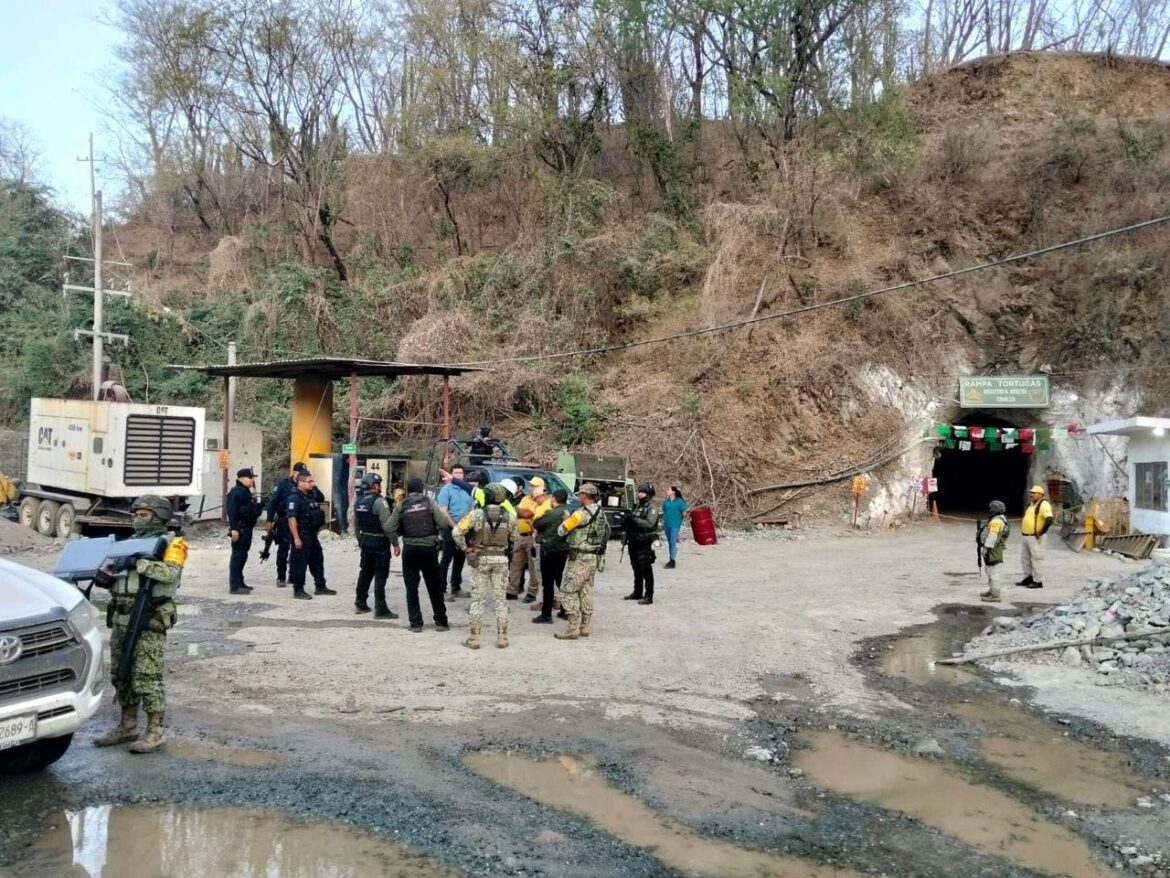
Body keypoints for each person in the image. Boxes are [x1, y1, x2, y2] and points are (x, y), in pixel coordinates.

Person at [91, 495, 187, 754]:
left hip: (148, 618)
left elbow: (170, 574)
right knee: (121, 674)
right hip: (121, 618)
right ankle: (127, 725)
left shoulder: (173, 543)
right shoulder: (127, 544)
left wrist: (139, 563)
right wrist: (105, 578)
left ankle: (155, 732)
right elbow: (115, 575)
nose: (136, 519)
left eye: (143, 514)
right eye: (136, 514)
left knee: (147, 676)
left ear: (158, 516)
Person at [453, 483, 519, 648]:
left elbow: (456, 532)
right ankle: (503, 637)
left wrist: (466, 548)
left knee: (478, 600)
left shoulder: (476, 514)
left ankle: (474, 638)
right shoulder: (510, 516)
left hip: (480, 559)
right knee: (500, 600)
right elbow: (514, 538)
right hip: (501, 560)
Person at [387, 477, 450, 633]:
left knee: (411, 588)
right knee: (434, 587)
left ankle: (416, 623)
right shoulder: (430, 503)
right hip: (429, 550)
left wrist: (395, 543)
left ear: (408, 490)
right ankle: (441, 622)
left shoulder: (402, 505)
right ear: (422, 489)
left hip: (410, 550)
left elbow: (389, 527)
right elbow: (443, 523)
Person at [555, 483, 609, 640]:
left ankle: (572, 627)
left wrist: (567, 519)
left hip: (579, 557)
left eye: (580, 495)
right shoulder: (601, 512)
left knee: (568, 590)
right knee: (586, 590)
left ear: (585, 495)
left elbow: (561, 530)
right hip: (593, 556)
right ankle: (585, 625)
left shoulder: (580, 514)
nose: (578, 497)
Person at [353, 472, 399, 619]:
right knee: (380, 576)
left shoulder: (358, 501)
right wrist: (395, 543)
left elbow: (356, 526)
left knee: (365, 573)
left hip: (366, 541)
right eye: (378, 484)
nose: (380, 486)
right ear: (374, 486)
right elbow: (387, 526)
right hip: (379, 543)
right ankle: (381, 609)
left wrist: (361, 541)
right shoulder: (380, 502)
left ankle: (360, 603)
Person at [287, 471, 336, 600]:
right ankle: (298, 590)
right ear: (301, 482)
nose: (312, 484)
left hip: (312, 534)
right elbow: (291, 518)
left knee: (317, 560)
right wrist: (296, 538)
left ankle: (320, 586)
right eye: (309, 481)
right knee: (300, 563)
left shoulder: (309, 496)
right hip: (301, 535)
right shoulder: (294, 497)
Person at [265, 461, 315, 588]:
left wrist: (314, 486)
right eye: (299, 472)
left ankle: (294, 576)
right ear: (294, 472)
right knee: (283, 549)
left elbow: (319, 497)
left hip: (301, 523)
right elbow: (273, 503)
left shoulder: (305, 486)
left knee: (297, 550)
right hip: (284, 520)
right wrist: (269, 520)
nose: (300, 475)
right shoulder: (283, 484)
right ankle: (281, 577)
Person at [510, 476, 551, 603]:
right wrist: (521, 512)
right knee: (515, 564)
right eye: (531, 485)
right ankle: (512, 590)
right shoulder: (526, 499)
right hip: (519, 534)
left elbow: (526, 514)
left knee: (533, 566)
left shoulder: (542, 502)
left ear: (540, 488)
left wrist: (520, 511)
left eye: (533, 486)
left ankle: (532, 592)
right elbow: (517, 512)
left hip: (531, 536)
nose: (531, 488)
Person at [532, 488, 570, 624]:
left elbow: (537, 523)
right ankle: (566, 609)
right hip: (563, 549)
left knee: (548, 583)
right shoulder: (568, 511)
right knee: (561, 581)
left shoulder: (554, 513)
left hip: (550, 549)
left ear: (554, 499)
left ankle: (546, 614)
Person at [438, 463, 474, 598]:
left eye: (460, 473)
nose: (458, 475)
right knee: (446, 558)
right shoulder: (446, 490)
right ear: (451, 475)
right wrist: (455, 527)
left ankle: (456, 587)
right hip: (449, 528)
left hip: (465, 529)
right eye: (456, 473)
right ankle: (441, 589)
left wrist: (467, 527)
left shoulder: (468, 490)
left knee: (460, 558)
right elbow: (443, 512)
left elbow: (471, 510)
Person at [624, 483, 661, 605]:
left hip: (645, 541)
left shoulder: (652, 507)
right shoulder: (637, 506)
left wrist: (634, 519)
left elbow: (650, 524)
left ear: (648, 494)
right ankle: (637, 592)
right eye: (639, 491)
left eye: (642, 492)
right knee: (636, 568)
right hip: (634, 540)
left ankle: (648, 595)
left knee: (646, 568)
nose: (639, 494)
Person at [226, 467, 262, 595]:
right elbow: (232, 512)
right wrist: (234, 529)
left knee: (243, 556)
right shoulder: (236, 492)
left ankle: (240, 582)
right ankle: (235, 586)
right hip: (240, 529)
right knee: (238, 556)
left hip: (247, 528)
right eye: (250, 478)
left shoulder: (246, 492)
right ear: (243, 478)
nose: (252, 480)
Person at [1017, 484, 1053, 590]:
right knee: (1025, 558)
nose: (1031, 495)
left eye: (1034, 493)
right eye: (1031, 493)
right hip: (1027, 536)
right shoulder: (1031, 505)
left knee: (1037, 558)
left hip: (1035, 537)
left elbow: (1049, 519)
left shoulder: (1043, 504)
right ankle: (1028, 577)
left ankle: (1038, 581)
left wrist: (1041, 532)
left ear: (1040, 495)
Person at [980, 500, 1010, 602]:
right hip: (995, 547)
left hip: (993, 548)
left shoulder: (996, 521)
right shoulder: (1000, 519)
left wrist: (986, 548)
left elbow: (992, 536)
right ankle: (992, 590)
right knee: (989, 570)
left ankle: (995, 595)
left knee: (993, 571)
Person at [661, 485, 688, 568]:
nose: (667, 491)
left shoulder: (680, 501)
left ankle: (672, 561)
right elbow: (664, 511)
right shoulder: (665, 501)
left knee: (672, 542)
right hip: (666, 524)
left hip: (675, 524)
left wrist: (681, 517)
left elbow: (684, 513)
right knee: (670, 542)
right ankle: (671, 559)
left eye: (668, 490)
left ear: (673, 492)